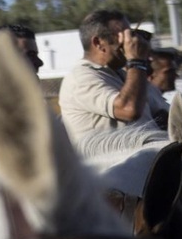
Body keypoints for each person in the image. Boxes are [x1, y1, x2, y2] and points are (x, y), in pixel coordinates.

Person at [58, 9, 153, 142]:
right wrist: (137, 62)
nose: (130, 42)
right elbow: (129, 109)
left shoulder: (121, 74)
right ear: (99, 43)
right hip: (111, 162)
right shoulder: (80, 77)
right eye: (125, 36)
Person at [144, 46, 179, 126]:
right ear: (150, 76)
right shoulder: (145, 103)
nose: (175, 76)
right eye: (169, 72)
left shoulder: (160, 102)